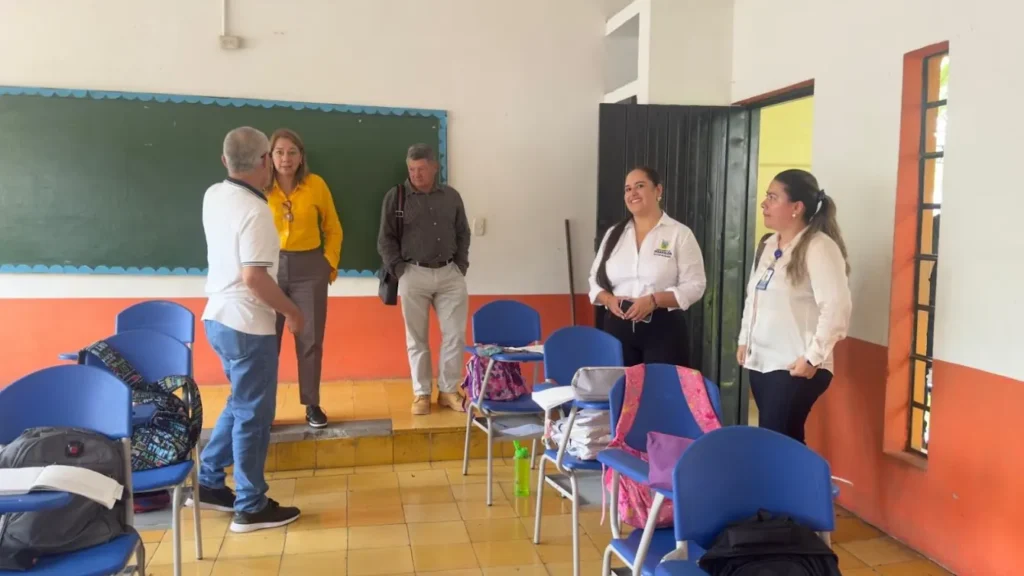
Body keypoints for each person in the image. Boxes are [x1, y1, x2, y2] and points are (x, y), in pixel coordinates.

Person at [190, 126, 303, 533]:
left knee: (241, 402)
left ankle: (208, 481)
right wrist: (292, 312)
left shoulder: (213, 194)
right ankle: (251, 506)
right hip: (247, 325)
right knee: (255, 414)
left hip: (216, 318)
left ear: (224, 161)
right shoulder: (256, 211)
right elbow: (255, 278)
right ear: (265, 161)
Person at [737, 169, 852, 444]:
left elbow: (836, 307)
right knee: (780, 442)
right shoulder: (768, 244)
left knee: (777, 444)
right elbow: (754, 297)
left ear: (796, 208)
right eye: (766, 196)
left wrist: (813, 357)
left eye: (773, 197)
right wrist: (744, 340)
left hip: (794, 366)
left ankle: (793, 476)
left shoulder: (819, 247)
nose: (764, 203)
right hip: (762, 362)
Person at [377, 144, 471, 415]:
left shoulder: (451, 196)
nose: (415, 174)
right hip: (412, 273)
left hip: (449, 273)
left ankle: (448, 391)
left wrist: (460, 265)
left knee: (454, 335)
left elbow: (462, 232)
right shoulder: (396, 197)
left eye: (421, 169)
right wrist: (399, 270)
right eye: (411, 169)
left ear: (435, 167)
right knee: (416, 338)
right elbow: (385, 238)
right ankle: (421, 394)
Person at [588, 166, 706, 367]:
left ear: (658, 190)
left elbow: (695, 285)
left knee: (661, 386)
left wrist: (654, 300)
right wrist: (608, 300)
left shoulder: (679, 234)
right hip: (618, 327)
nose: (632, 193)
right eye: (628, 189)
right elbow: (594, 280)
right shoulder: (614, 234)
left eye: (640, 186)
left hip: (663, 329)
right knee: (620, 386)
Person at [266, 128, 343, 429]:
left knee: (310, 340)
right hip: (269, 268)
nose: (285, 158)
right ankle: (265, 408)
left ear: (301, 157)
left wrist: (328, 264)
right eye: (279, 152)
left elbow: (333, 227)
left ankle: (311, 404)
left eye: (292, 152)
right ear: (270, 156)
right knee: (266, 341)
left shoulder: (316, 185)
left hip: (310, 268)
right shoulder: (260, 187)